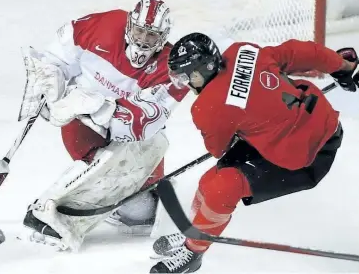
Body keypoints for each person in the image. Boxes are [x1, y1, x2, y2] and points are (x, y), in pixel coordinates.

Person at [149, 32, 357, 273]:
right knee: (209, 180)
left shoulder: (206, 107)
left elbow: (218, 148)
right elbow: (298, 52)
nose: (186, 83)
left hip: (307, 157)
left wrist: (238, 121)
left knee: (222, 187)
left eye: (187, 77)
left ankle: (194, 251)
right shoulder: (243, 51)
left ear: (203, 70)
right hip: (320, 121)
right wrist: (343, 65)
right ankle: (195, 231)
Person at [16, 0, 189, 251]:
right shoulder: (103, 25)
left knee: (141, 214)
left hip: (132, 139)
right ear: (129, 25)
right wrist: (51, 84)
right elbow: (53, 58)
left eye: (151, 35)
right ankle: (59, 216)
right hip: (84, 125)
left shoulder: (171, 69)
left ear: (162, 38)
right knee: (101, 171)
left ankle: (114, 201)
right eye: (139, 30)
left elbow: (142, 125)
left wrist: (96, 105)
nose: (143, 40)